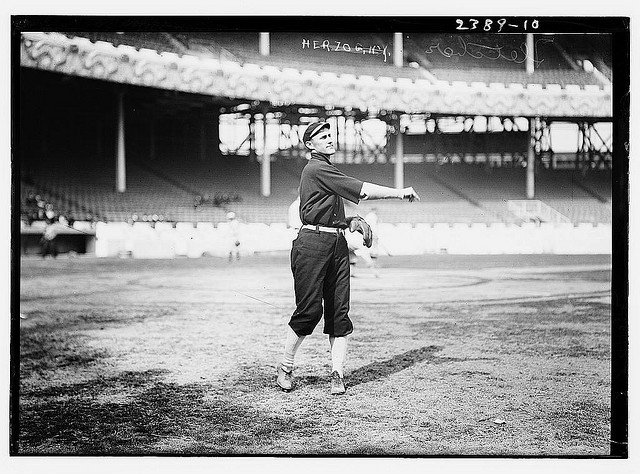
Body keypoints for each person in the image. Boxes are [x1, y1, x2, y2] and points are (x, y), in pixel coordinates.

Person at [276, 121, 419, 395]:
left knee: (339, 313)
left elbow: (326, 209)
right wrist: (400, 193)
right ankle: (286, 366)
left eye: (330, 134)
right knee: (309, 311)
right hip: (312, 244)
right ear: (310, 145)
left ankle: (337, 374)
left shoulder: (326, 170)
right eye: (322, 136)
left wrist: (348, 220)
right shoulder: (317, 168)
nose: (329, 139)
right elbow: (363, 190)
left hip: (335, 242)